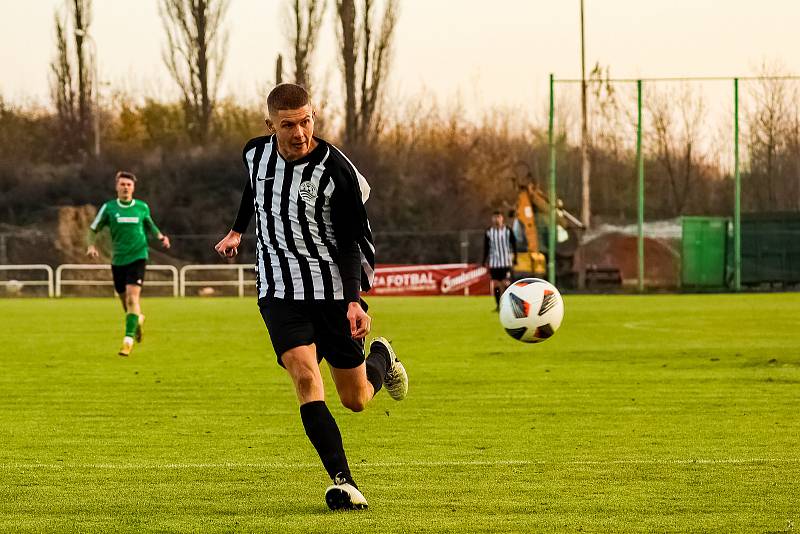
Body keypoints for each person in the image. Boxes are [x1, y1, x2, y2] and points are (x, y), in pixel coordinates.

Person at [214, 83, 408, 511]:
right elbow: (254, 189)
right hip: (279, 290)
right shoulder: (255, 154)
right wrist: (237, 229)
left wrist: (355, 301)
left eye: (306, 121)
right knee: (305, 378)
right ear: (270, 126)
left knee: (355, 400)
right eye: (288, 125)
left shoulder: (336, 171)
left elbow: (352, 241)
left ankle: (382, 359)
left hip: (334, 291)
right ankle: (345, 482)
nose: (300, 132)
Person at [86, 171, 170, 356]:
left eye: (129, 185)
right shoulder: (108, 208)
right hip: (118, 260)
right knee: (126, 303)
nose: (126, 187)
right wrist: (91, 245)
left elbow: (150, 224)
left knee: (133, 299)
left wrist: (161, 237)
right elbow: (93, 228)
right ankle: (137, 320)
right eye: (122, 184)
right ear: (117, 186)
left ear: (133, 188)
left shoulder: (141, 207)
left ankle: (127, 341)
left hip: (139, 256)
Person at [483, 210, 517, 311]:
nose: (496, 219)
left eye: (498, 217)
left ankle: (508, 305)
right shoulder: (489, 231)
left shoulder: (508, 230)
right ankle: (498, 305)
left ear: (502, 218)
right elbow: (486, 247)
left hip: (506, 261)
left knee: (506, 283)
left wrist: (515, 258)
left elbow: (514, 244)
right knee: (496, 283)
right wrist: (484, 260)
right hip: (494, 262)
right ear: (492, 219)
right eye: (495, 217)